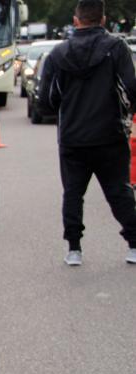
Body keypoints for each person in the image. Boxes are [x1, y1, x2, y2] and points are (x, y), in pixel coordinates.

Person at [38, 0, 136, 266]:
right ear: (102, 20)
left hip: (72, 137)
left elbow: (46, 100)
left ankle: (74, 249)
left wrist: (64, 110)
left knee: (73, 194)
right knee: (119, 191)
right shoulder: (116, 48)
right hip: (110, 134)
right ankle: (133, 244)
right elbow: (130, 87)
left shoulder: (58, 54)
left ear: (76, 20)